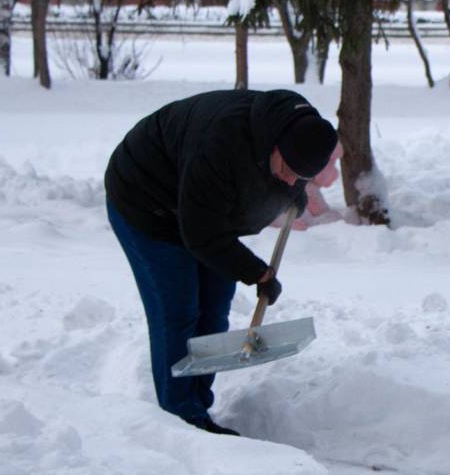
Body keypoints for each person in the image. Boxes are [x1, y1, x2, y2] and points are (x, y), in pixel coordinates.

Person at [105, 88, 338, 434]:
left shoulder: (300, 132)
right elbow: (202, 236)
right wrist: (257, 273)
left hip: (201, 207)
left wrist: (292, 194)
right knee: (178, 310)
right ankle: (183, 421)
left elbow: (285, 180)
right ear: (274, 146)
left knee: (214, 306)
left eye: (301, 176)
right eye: (289, 170)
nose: (292, 179)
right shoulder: (220, 143)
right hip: (146, 201)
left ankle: (199, 406)